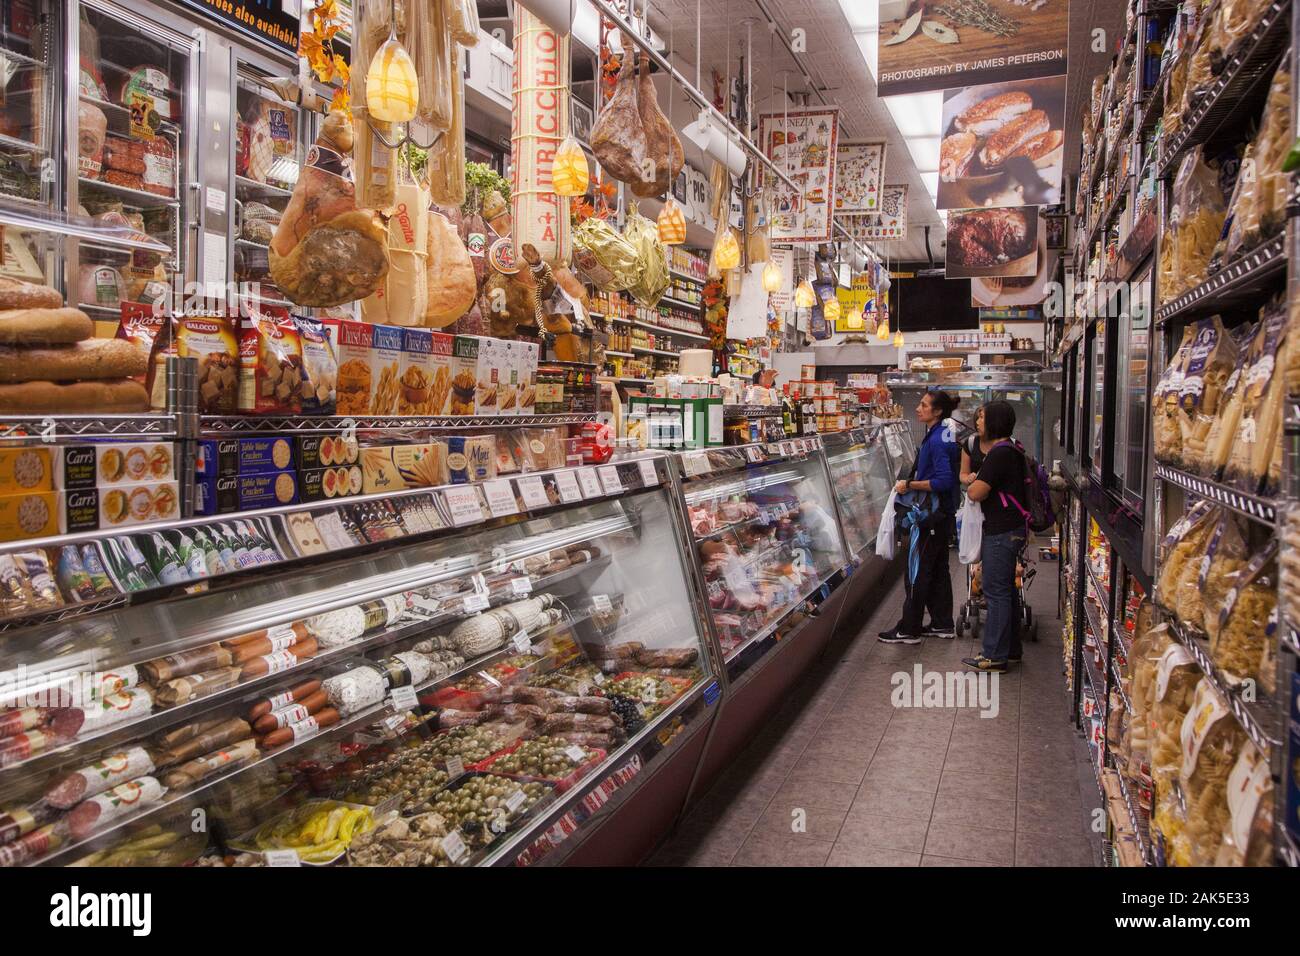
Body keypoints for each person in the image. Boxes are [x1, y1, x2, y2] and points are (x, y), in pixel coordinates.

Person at [879, 389, 961, 644]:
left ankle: (909, 628)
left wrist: (910, 485)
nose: (918, 408)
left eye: (924, 405)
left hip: (930, 516)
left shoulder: (936, 440)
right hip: (944, 514)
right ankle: (941, 623)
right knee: (938, 570)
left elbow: (944, 480)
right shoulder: (943, 433)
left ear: (937, 411)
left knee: (917, 571)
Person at [962, 400, 1026, 672]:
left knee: (996, 592)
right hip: (1012, 527)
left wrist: (973, 484)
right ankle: (1010, 649)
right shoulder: (1013, 449)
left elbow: (975, 492)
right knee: (1007, 591)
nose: (978, 422)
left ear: (995, 422)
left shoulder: (999, 453)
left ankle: (994, 655)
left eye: (982, 418)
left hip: (1001, 530)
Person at [959, 404, 995, 487]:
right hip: (976, 495)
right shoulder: (970, 443)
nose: (977, 422)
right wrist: (968, 478)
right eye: (977, 419)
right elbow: (963, 474)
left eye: (981, 418)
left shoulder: (1006, 444)